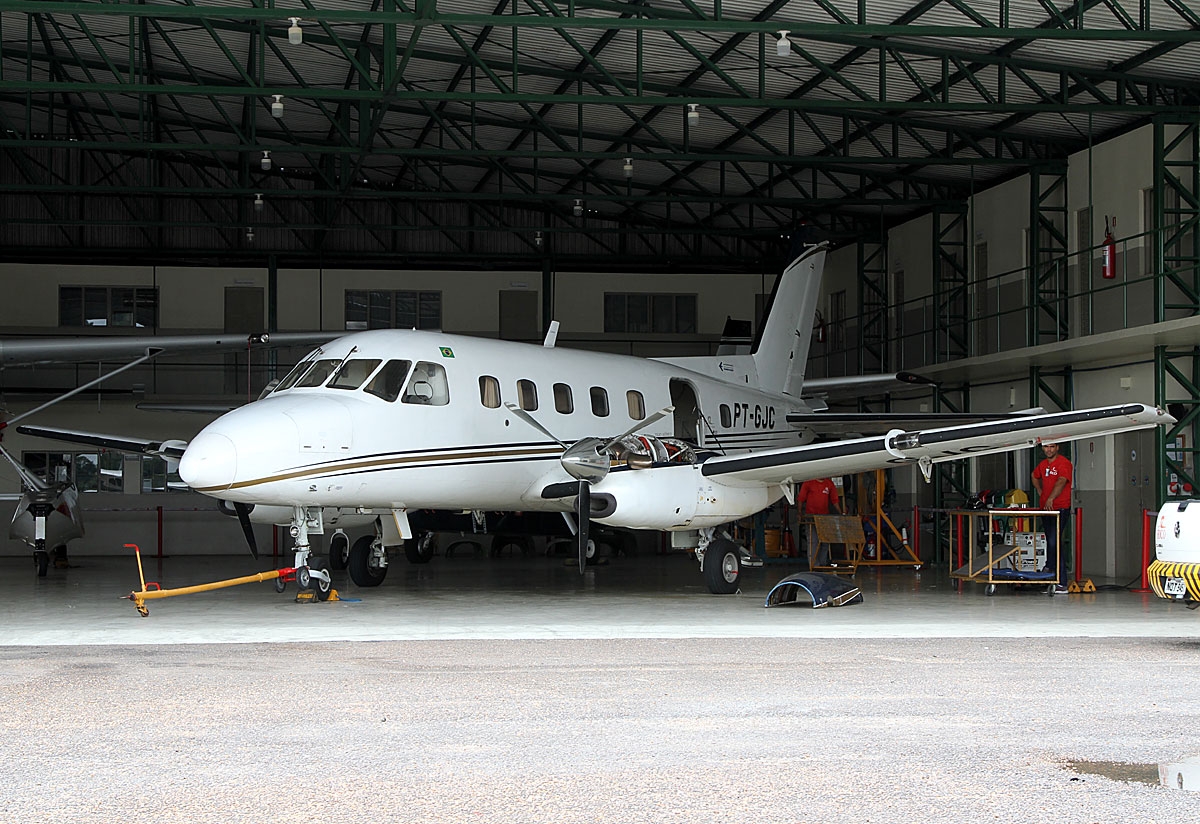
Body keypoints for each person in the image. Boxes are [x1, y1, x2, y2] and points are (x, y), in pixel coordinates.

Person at [1031, 442, 1073, 595]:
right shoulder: (1042, 464)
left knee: (1055, 541)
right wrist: (1040, 490)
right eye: (1046, 447)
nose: (1049, 450)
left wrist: (1051, 498)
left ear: (1057, 448)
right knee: (1050, 541)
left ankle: (1061, 581)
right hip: (1045, 509)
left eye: (1052, 447)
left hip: (1060, 508)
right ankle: (1050, 573)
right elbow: (1034, 476)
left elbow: (1062, 481)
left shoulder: (1064, 463)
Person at [798, 477, 842, 568]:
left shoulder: (829, 484)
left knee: (825, 541)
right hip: (811, 517)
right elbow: (801, 498)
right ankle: (814, 565)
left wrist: (841, 513)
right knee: (813, 541)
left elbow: (835, 500)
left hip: (824, 518)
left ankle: (822, 564)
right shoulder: (809, 482)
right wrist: (799, 513)